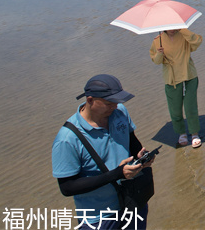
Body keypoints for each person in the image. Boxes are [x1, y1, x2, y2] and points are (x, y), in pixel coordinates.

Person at [52, 75, 154, 229]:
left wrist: (141, 156)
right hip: (98, 218)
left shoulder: (120, 112)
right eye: (108, 103)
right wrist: (117, 174)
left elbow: (132, 140)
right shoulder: (67, 139)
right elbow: (67, 187)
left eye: (117, 101)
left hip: (132, 202)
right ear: (90, 100)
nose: (114, 106)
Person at [150, 27, 203, 148]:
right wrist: (159, 53)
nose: (172, 29)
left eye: (174, 26)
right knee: (175, 109)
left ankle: (194, 133)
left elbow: (197, 42)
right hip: (171, 78)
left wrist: (183, 30)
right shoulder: (158, 41)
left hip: (189, 74)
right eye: (169, 27)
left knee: (190, 106)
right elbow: (157, 61)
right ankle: (181, 133)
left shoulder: (184, 34)